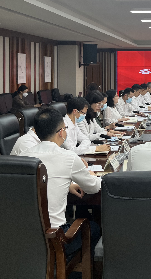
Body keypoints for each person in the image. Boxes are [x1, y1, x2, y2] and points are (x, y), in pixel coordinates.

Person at [20, 107, 102, 257]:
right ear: (61, 132)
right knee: (94, 228)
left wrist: (68, 185)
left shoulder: (22, 156)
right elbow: (94, 187)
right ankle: (75, 268)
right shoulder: (68, 157)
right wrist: (92, 175)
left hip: (23, 237)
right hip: (55, 238)